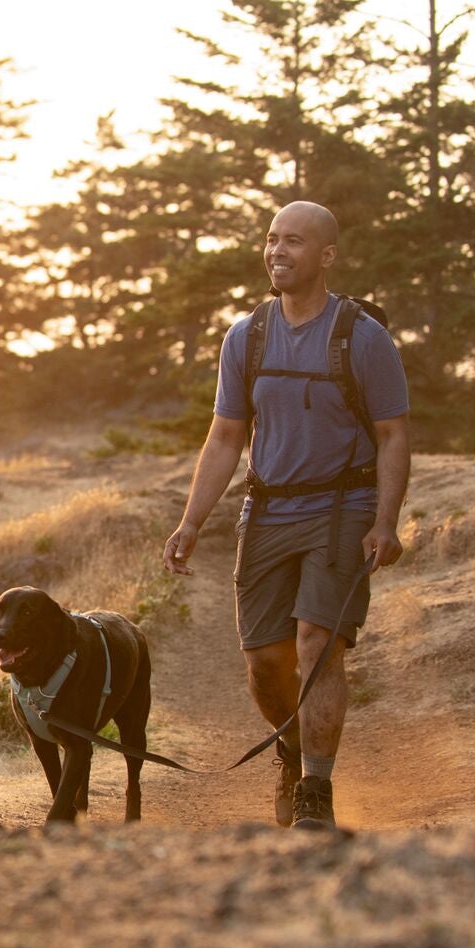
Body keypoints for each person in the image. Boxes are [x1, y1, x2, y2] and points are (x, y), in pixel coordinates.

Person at [162, 201, 411, 830]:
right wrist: (191, 522)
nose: (278, 251)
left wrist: (385, 520)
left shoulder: (363, 337)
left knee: (317, 646)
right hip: (267, 511)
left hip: (341, 510)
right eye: (272, 239)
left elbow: (392, 434)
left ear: (326, 255)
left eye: (294, 242)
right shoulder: (245, 336)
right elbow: (224, 436)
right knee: (266, 664)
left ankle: (316, 793)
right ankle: (292, 746)